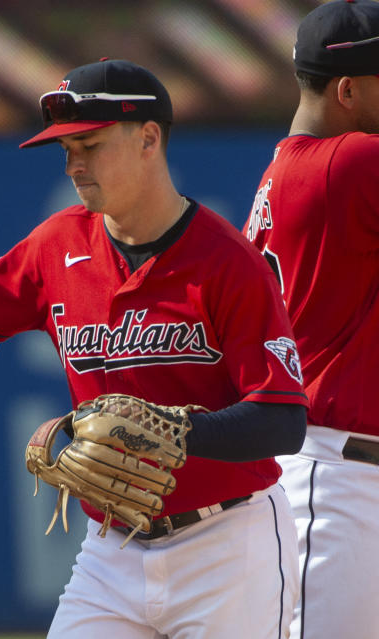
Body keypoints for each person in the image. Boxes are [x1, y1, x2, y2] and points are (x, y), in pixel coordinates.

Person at [0, 58, 310, 638]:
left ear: (149, 138)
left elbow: (283, 420)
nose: (73, 165)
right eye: (66, 151)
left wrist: (173, 435)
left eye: (89, 144)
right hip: (111, 553)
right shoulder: (56, 244)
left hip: (228, 547)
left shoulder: (228, 262)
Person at [243, 2, 379, 637]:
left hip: (337, 470)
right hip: (340, 479)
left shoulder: (289, 169)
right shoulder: (351, 163)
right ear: (347, 88)